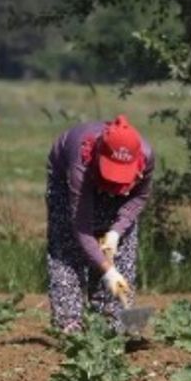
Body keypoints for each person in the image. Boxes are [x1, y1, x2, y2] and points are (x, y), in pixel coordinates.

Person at [46, 114, 154, 333]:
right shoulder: (81, 161)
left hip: (114, 180)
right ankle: (70, 325)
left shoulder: (147, 155)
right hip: (69, 179)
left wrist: (115, 232)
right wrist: (108, 271)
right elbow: (82, 226)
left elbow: (139, 198)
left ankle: (118, 326)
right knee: (68, 250)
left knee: (122, 250)